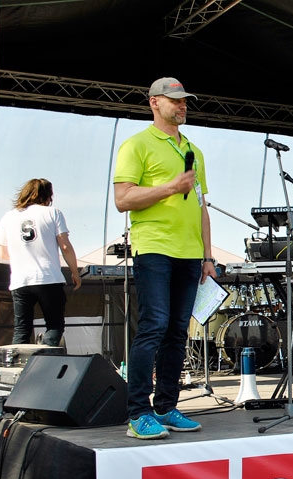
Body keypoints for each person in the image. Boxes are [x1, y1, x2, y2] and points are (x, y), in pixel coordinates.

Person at [113, 77, 212, 439]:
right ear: (154, 102)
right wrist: (171, 187)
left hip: (189, 253)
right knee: (154, 325)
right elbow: (123, 199)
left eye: (185, 100)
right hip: (154, 247)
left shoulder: (195, 152)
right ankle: (138, 413)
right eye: (174, 100)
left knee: (176, 332)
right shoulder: (136, 145)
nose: (182, 105)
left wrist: (208, 255)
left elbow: (202, 206)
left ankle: (167, 406)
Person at [0, 178, 81, 346]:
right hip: (48, 278)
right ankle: (46, 361)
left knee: (21, 329)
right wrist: (75, 272)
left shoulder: (8, 217)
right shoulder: (53, 213)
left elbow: (3, 253)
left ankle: (17, 368)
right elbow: (65, 246)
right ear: (48, 196)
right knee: (54, 325)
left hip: (20, 281)